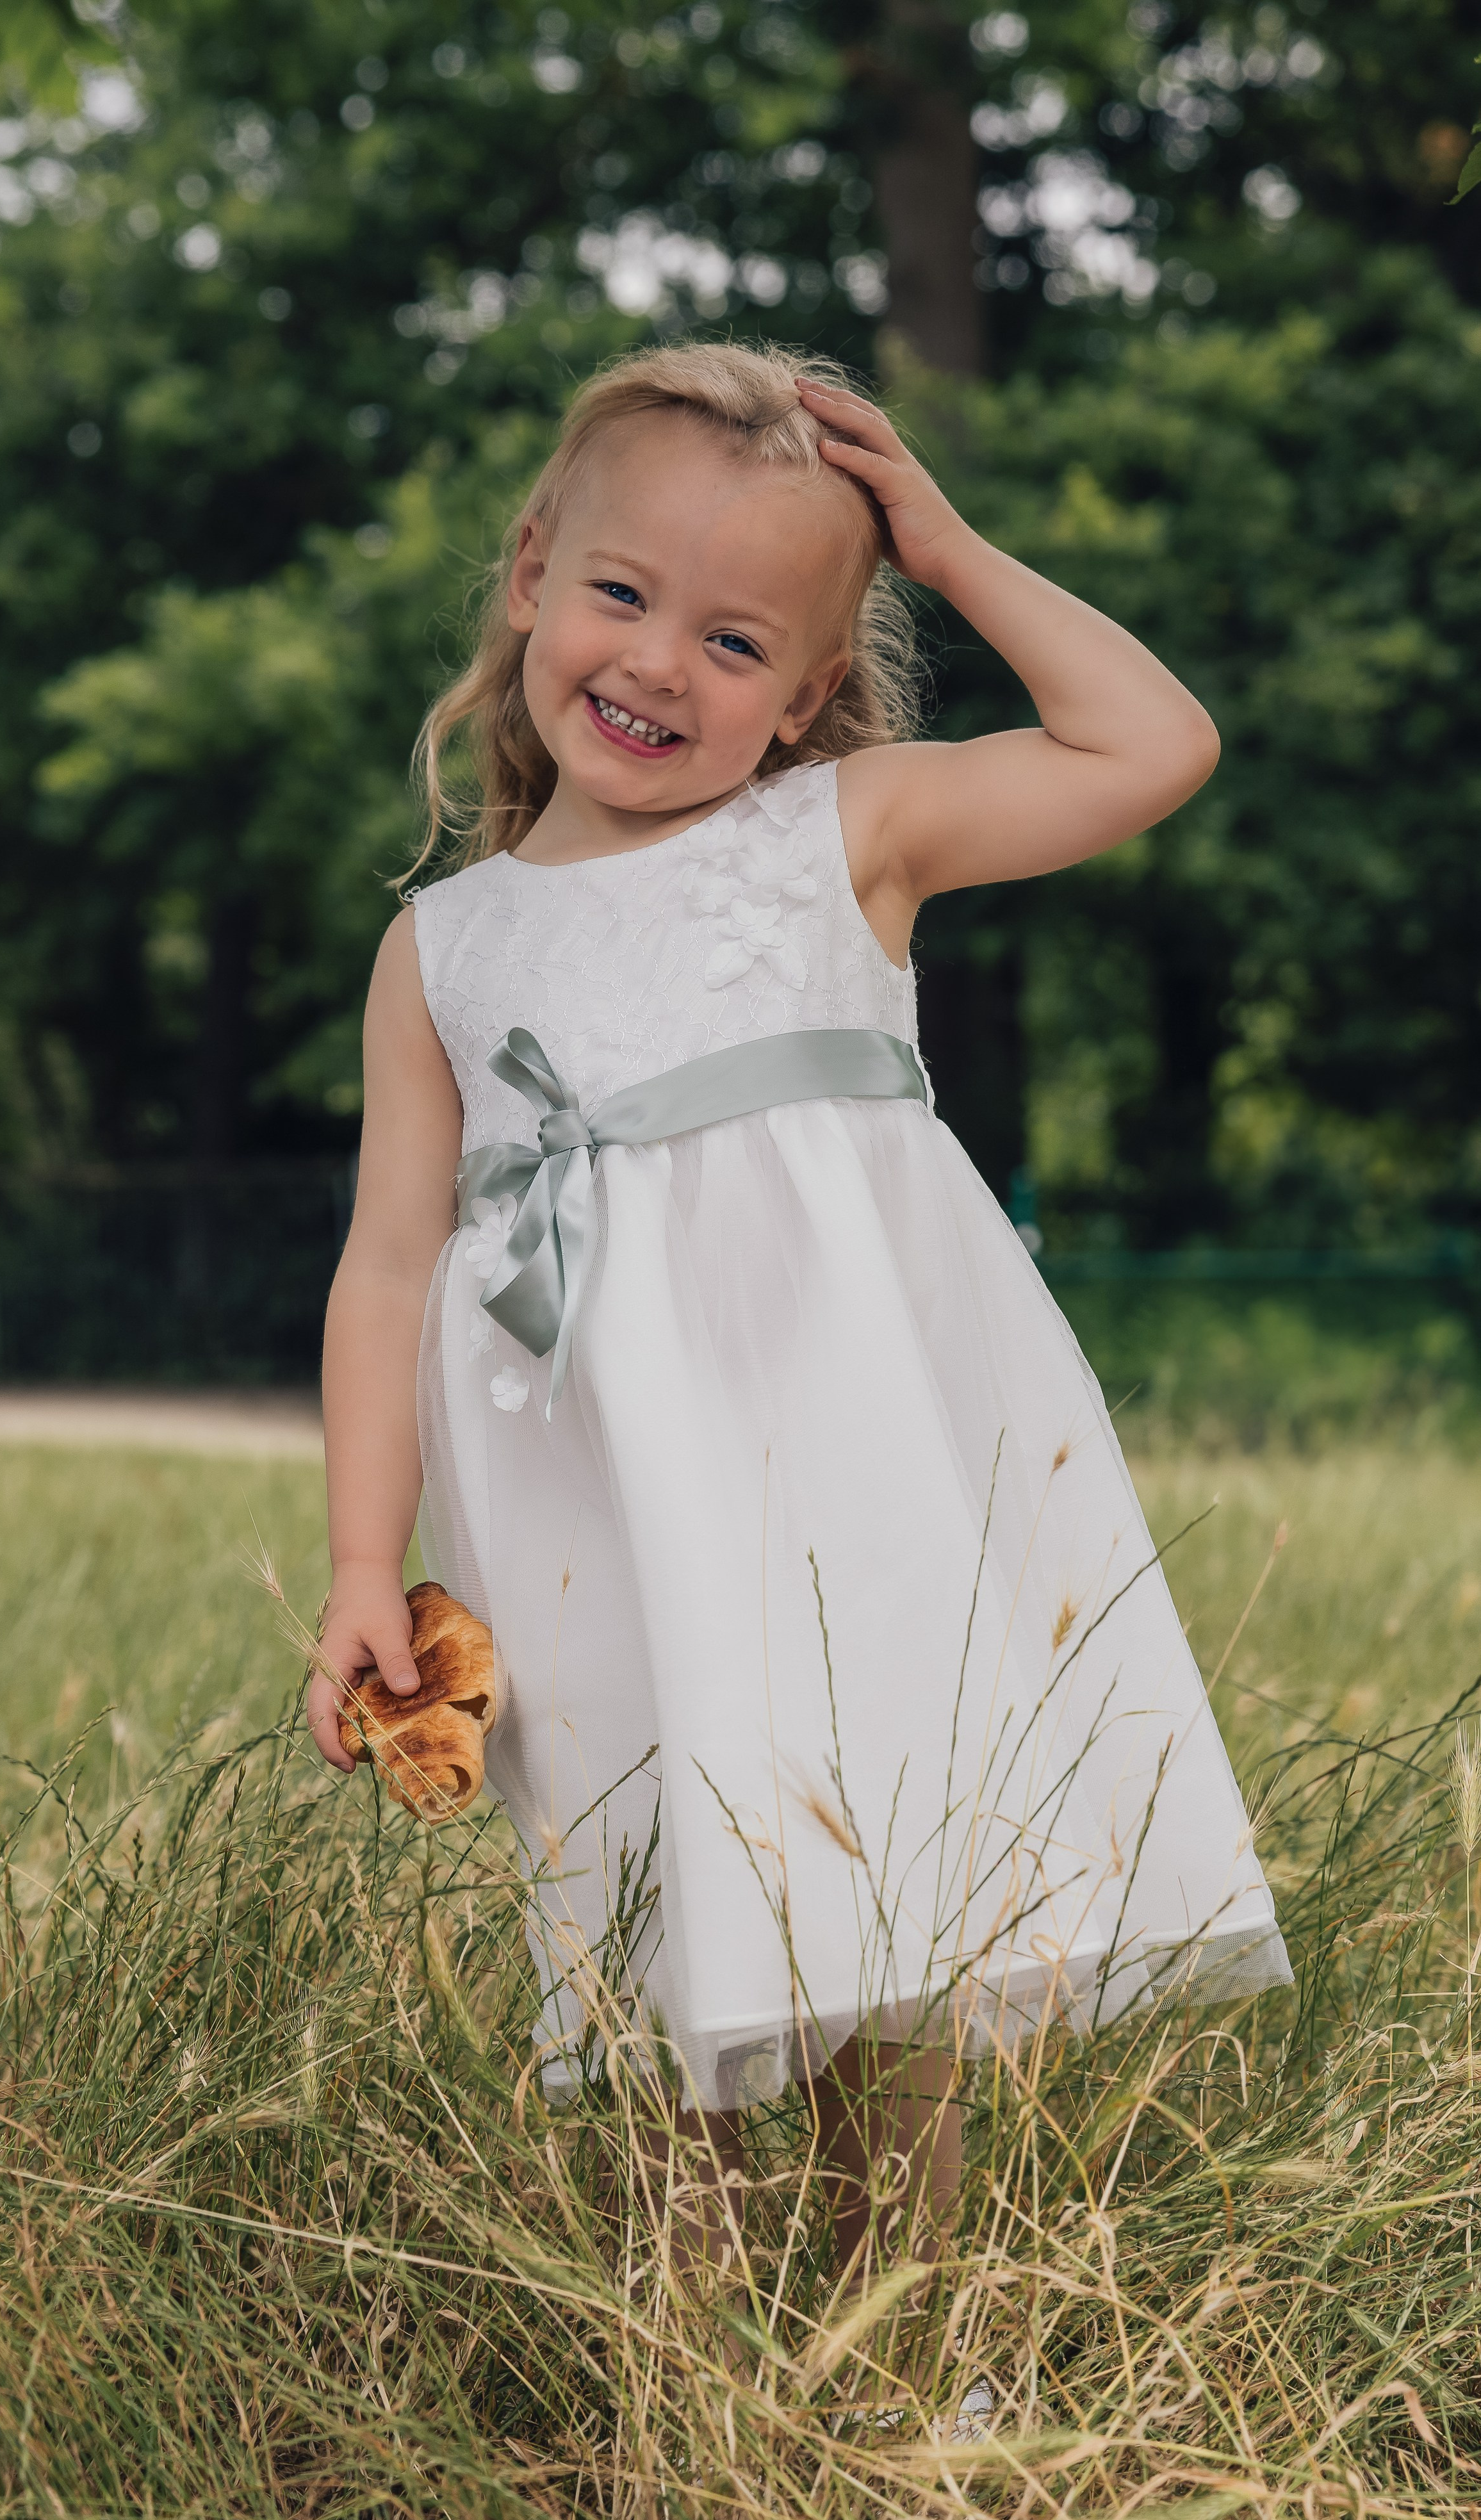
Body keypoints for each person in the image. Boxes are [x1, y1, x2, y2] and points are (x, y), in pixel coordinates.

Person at [309, 341, 1289, 2277]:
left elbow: (1146, 746)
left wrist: (946, 541)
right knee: (674, 1894)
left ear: (809, 696)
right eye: (617, 594)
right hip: (607, 1510)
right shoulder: (444, 945)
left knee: (891, 1889)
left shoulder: (842, 840)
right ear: (528, 578)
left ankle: (901, 2333)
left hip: (853, 1485)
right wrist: (362, 1559)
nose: (660, 663)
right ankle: (705, 2354)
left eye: (737, 641)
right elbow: (389, 1263)